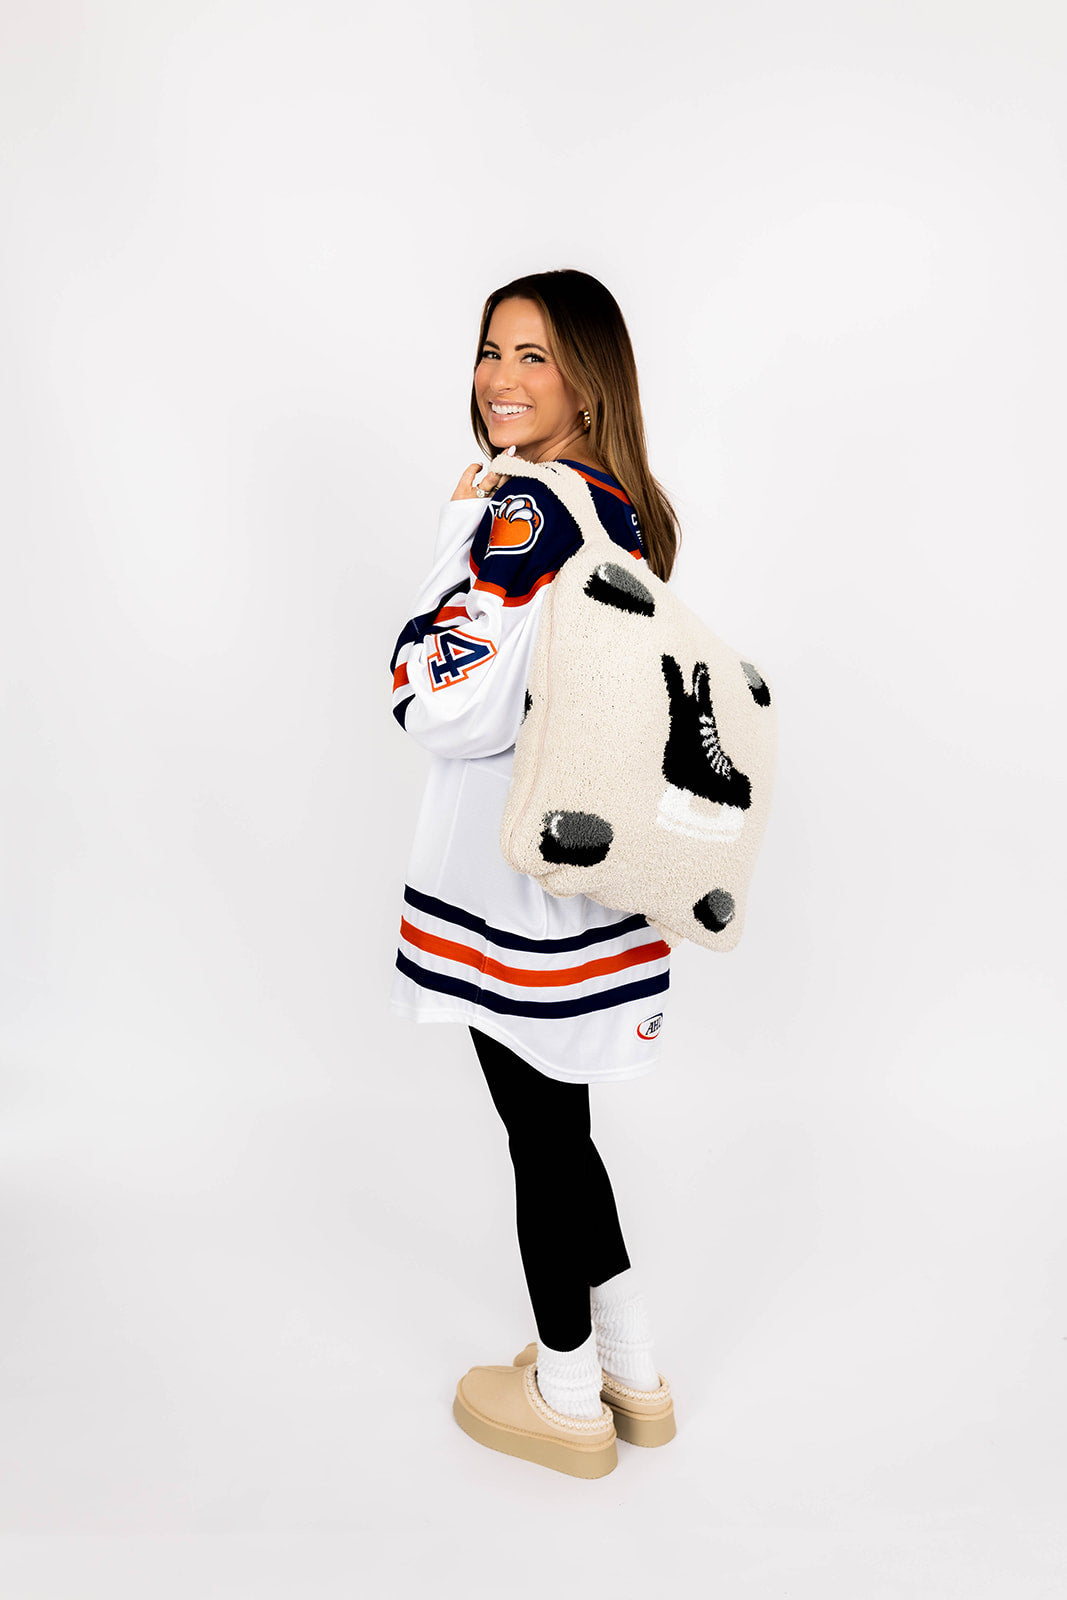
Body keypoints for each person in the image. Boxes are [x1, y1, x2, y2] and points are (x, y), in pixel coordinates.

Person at [388, 270, 681, 1479]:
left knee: (538, 1134)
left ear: (587, 382)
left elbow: (435, 699)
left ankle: (564, 1389)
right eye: (490, 352)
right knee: (559, 1123)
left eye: (535, 359)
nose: (500, 381)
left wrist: (459, 540)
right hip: (590, 872)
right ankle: (632, 1365)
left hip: (512, 883)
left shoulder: (528, 511)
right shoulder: (624, 504)